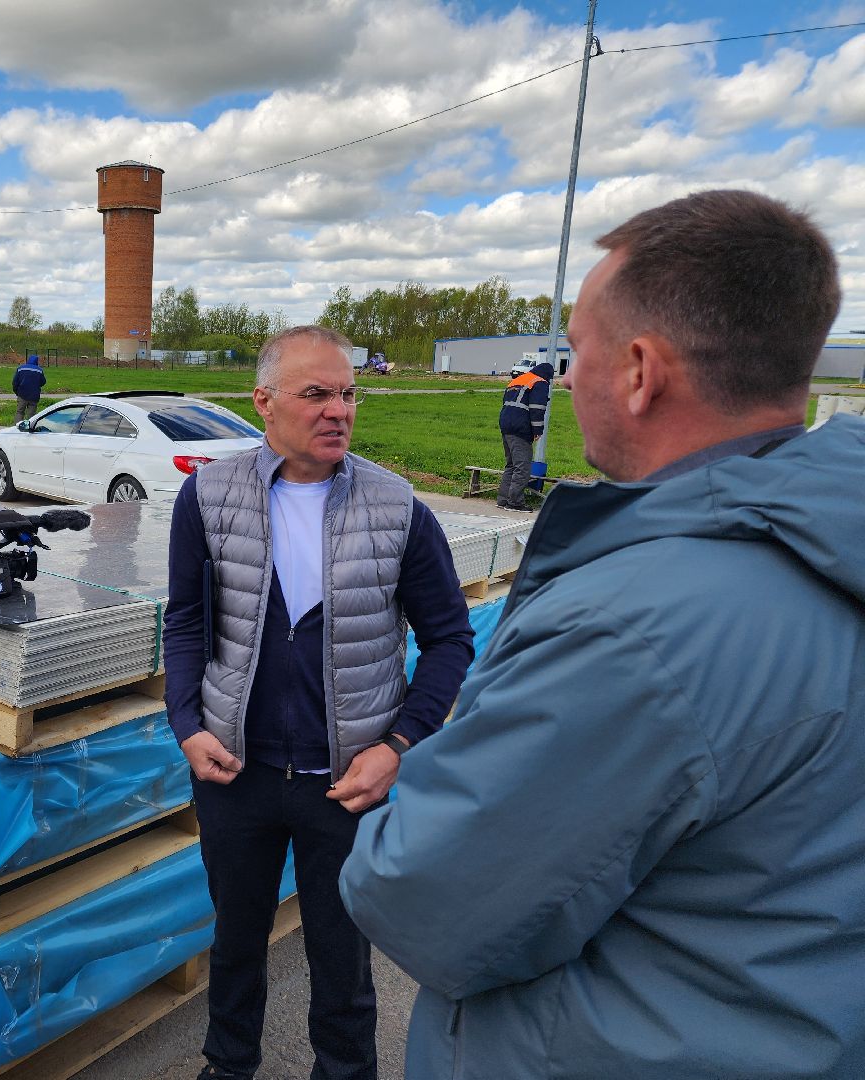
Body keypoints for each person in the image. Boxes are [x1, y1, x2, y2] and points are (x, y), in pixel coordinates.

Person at [341, 190, 865, 1079]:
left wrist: (425, 758)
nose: (565, 378)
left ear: (638, 371)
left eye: (576, 350)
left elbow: (423, 897)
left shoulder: (632, 631)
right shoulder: (831, 537)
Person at [164, 325, 475, 1080]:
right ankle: (228, 1065)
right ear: (264, 402)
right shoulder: (209, 495)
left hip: (347, 782)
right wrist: (186, 724)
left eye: (347, 394)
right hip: (237, 772)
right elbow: (184, 621)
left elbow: (450, 640)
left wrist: (396, 746)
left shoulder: (398, 507)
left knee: (342, 955)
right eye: (317, 394)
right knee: (236, 940)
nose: (338, 410)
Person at [496, 357, 553, 510]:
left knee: (511, 465)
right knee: (523, 467)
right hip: (520, 427)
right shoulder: (540, 382)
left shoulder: (519, 380)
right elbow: (537, 409)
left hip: (505, 424)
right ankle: (515, 502)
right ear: (547, 375)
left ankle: (503, 500)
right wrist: (537, 431)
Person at [12, 353, 46, 423]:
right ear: (36, 361)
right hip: (34, 396)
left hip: (22, 394)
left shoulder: (20, 368)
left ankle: (17, 428)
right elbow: (43, 382)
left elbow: (15, 382)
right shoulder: (39, 370)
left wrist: (16, 391)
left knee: (20, 412)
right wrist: (36, 386)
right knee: (31, 415)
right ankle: (29, 429)